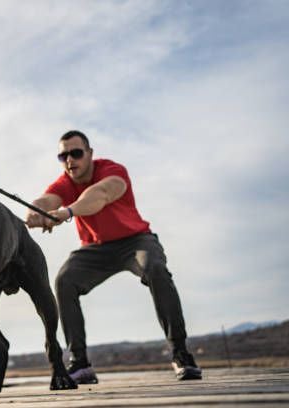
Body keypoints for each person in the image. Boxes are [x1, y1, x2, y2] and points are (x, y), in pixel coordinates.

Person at [25, 130, 201, 384]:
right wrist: (35, 212)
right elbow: (46, 199)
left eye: (76, 153)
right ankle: (80, 363)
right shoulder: (65, 181)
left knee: (156, 270)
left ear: (90, 154)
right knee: (65, 280)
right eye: (63, 156)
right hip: (95, 249)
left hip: (135, 241)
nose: (70, 161)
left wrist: (65, 213)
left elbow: (99, 196)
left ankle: (181, 354)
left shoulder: (113, 171)